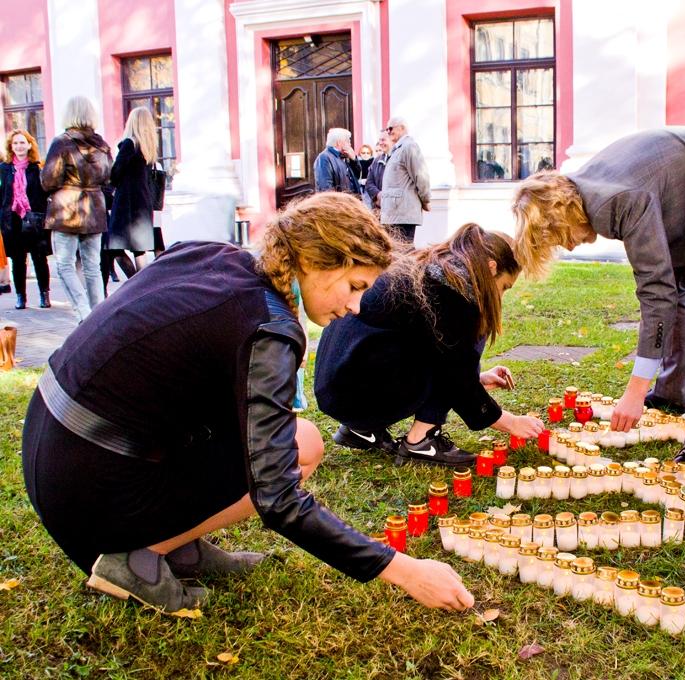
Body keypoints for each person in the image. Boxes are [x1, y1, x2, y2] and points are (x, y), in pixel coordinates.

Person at [21, 192, 475, 613]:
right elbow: (278, 496)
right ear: (319, 260)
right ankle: (135, 558)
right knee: (303, 446)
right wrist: (404, 569)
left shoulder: (212, 254)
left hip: (50, 449)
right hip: (90, 492)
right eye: (355, 285)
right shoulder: (270, 328)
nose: (356, 307)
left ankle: (180, 543)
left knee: (290, 436)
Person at [512, 127, 685, 462]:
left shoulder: (616, 200)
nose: (569, 245)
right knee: (675, 282)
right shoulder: (589, 189)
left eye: (559, 236)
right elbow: (666, 286)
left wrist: (635, 389)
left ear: (561, 211)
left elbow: (655, 292)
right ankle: (671, 393)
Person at [315, 223, 544, 467]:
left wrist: (476, 377)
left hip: (339, 386)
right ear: (491, 268)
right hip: (353, 391)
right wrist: (510, 422)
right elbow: (454, 372)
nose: (500, 297)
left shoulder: (435, 267)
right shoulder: (454, 293)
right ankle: (421, 440)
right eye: (504, 287)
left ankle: (361, 428)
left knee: (446, 355)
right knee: (458, 348)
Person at [41, 96, 112, 323]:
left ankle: (84, 313)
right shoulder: (102, 145)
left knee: (64, 265)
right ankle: (98, 315)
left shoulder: (61, 142)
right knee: (93, 266)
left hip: (67, 209)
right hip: (95, 208)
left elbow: (48, 180)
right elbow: (108, 176)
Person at [105, 107, 159, 287]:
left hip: (125, 204)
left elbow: (115, 173)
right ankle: (145, 284)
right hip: (143, 204)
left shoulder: (129, 144)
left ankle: (138, 286)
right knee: (139, 249)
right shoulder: (148, 148)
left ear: (132, 122)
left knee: (115, 247)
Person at [1, 129, 52, 309]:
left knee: (39, 258)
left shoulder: (37, 168)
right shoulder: (4, 169)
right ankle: (21, 296)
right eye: (15, 143)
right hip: (12, 219)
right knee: (18, 260)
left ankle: (44, 294)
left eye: (22, 142)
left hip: (34, 218)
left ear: (30, 145)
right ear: (11, 146)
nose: (19, 146)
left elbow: (44, 193)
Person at [379, 117, 430, 244]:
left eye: (390, 128)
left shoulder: (409, 146)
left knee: (403, 253)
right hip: (394, 212)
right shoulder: (398, 149)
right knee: (397, 252)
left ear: (402, 128)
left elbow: (421, 176)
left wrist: (425, 199)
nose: (388, 131)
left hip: (402, 212)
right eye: (387, 129)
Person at [313, 128, 360, 195]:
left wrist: (354, 159)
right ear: (339, 142)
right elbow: (325, 189)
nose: (350, 144)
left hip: (350, 202)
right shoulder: (324, 158)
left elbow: (357, 177)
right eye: (348, 141)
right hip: (338, 203)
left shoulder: (345, 155)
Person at [365, 130, 392, 213]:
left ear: (391, 139)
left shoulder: (398, 159)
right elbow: (369, 182)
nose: (380, 143)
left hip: (394, 210)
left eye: (383, 140)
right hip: (379, 208)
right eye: (379, 140)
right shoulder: (377, 160)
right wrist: (378, 194)